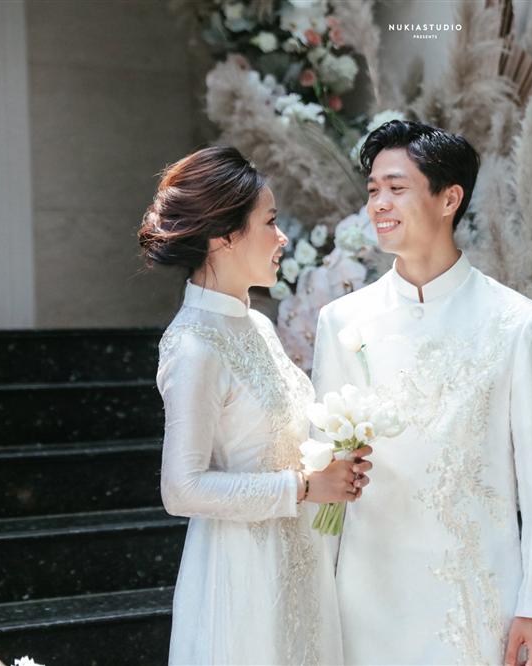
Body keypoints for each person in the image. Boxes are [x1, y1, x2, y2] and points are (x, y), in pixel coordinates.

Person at [312, 121, 532, 666]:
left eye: (396, 188)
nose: (379, 203)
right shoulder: (342, 322)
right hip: (366, 595)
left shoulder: (518, 325)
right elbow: (326, 467)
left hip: (475, 595)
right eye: (373, 190)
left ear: (449, 197)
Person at [138, 146, 371, 665]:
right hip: (241, 574)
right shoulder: (193, 344)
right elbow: (182, 487)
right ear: (223, 235)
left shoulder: (258, 325)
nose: (282, 237)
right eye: (270, 222)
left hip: (299, 561)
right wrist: (306, 486)